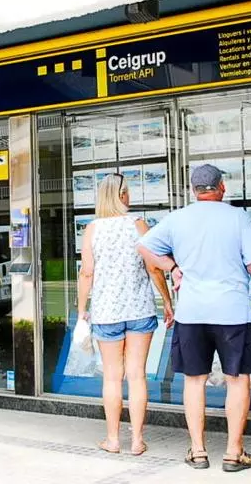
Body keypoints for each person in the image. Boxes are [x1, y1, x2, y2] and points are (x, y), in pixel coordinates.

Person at [137, 164, 251, 473]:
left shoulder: (178, 218)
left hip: (191, 311)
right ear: (221, 187)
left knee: (194, 380)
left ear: (193, 190)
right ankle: (233, 453)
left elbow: (144, 247)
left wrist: (173, 268)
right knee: (238, 379)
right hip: (232, 311)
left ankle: (197, 452)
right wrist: (235, 268)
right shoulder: (238, 217)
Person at [77, 173, 173, 456]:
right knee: (137, 375)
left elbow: (86, 273)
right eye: (127, 192)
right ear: (121, 196)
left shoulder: (92, 229)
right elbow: (153, 267)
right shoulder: (138, 224)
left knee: (111, 377)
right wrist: (167, 301)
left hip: (106, 313)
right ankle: (137, 440)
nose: (129, 196)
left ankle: (113, 440)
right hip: (140, 310)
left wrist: (82, 310)